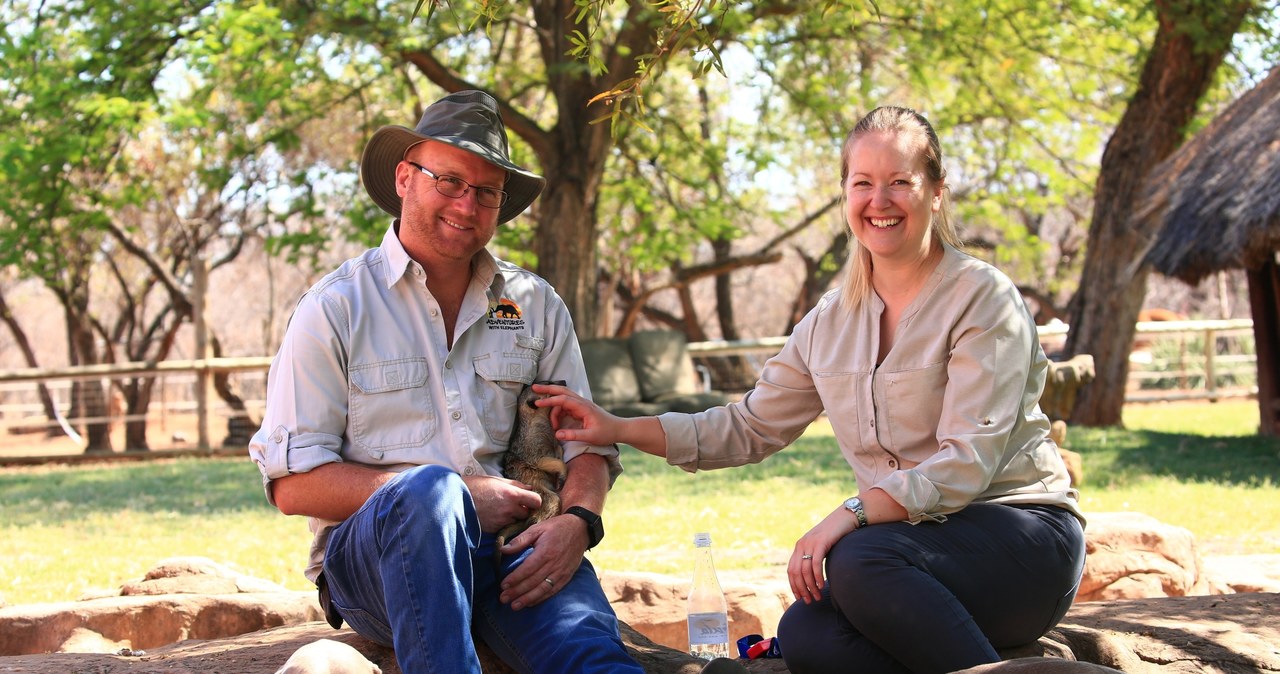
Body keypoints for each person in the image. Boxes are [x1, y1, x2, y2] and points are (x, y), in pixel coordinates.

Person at [536, 106, 1087, 674]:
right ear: (845, 194)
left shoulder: (983, 299)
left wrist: (850, 513)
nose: (881, 200)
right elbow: (749, 426)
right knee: (807, 632)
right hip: (904, 557)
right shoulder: (831, 319)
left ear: (937, 191)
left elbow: (967, 464)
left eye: (901, 182)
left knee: (856, 560)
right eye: (863, 183)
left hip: (1021, 540)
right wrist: (616, 428)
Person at [247, 89, 643, 674]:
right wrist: (457, 495)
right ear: (405, 177)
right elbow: (293, 485)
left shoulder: (532, 304)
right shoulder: (335, 309)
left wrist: (578, 525)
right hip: (377, 564)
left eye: (487, 191)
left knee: (594, 660)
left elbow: (586, 445)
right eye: (450, 181)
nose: (467, 204)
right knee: (429, 494)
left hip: (516, 549)